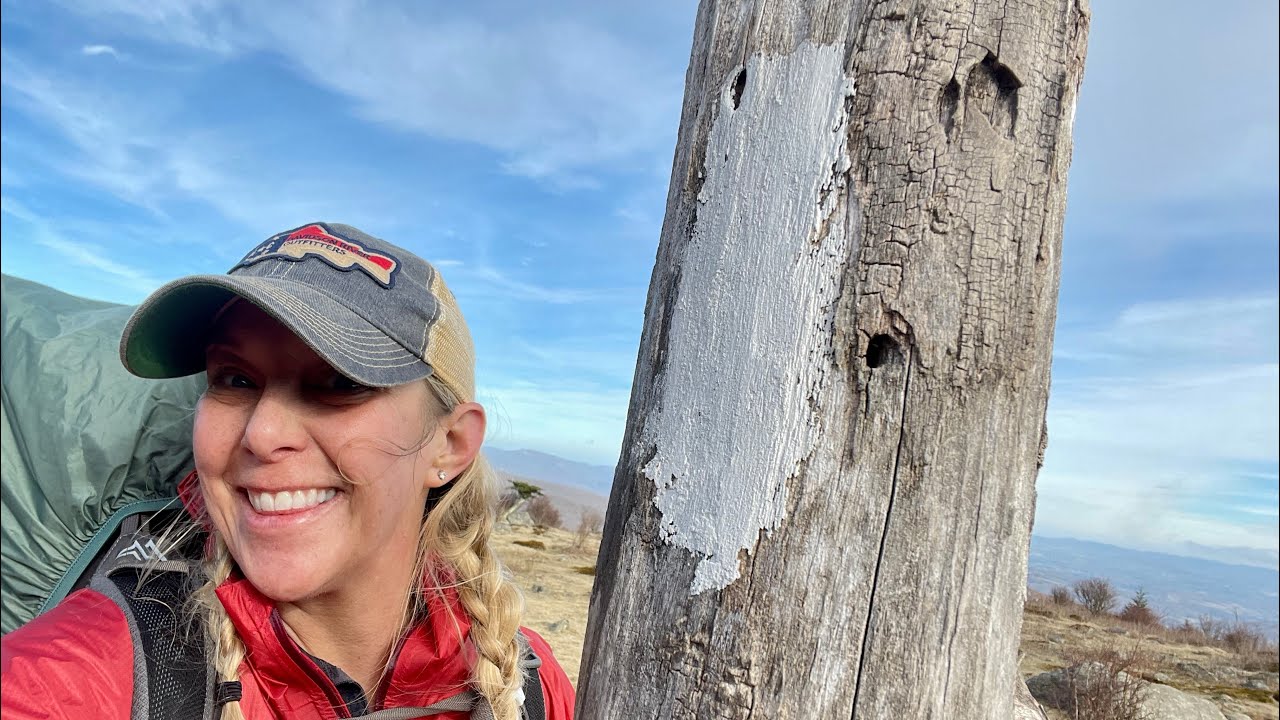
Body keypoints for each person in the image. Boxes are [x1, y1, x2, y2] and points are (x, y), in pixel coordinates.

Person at [0, 222, 576, 720]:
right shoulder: (86, 669)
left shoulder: (529, 687)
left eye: (339, 382)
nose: (261, 434)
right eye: (234, 379)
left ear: (449, 444)